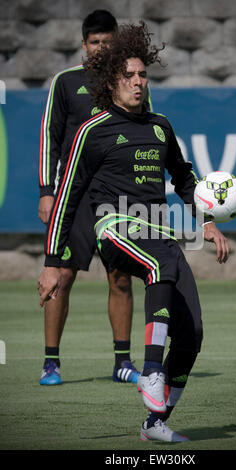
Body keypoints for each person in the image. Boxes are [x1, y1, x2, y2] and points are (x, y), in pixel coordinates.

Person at [37, 22, 230, 442]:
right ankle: (150, 370)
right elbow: (67, 198)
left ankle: (155, 423)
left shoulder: (160, 126)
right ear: (112, 81)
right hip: (114, 225)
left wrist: (208, 221)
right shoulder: (93, 131)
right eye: (129, 75)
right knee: (161, 264)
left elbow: (184, 178)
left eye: (143, 74)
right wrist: (53, 263)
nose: (138, 82)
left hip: (156, 232)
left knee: (192, 332)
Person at [38, 10, 142, 386]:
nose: (101, 48)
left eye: (107, 41)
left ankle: (123, 363)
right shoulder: (65, 82)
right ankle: (51, 363)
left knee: (121, 278)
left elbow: (142, 135)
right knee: (61, 276)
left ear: (117, 42)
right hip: (74, 196)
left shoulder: (128, 81)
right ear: (84, 45)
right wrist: (47, 190)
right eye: (94, 42)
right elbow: (49, 136)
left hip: (116, 196)